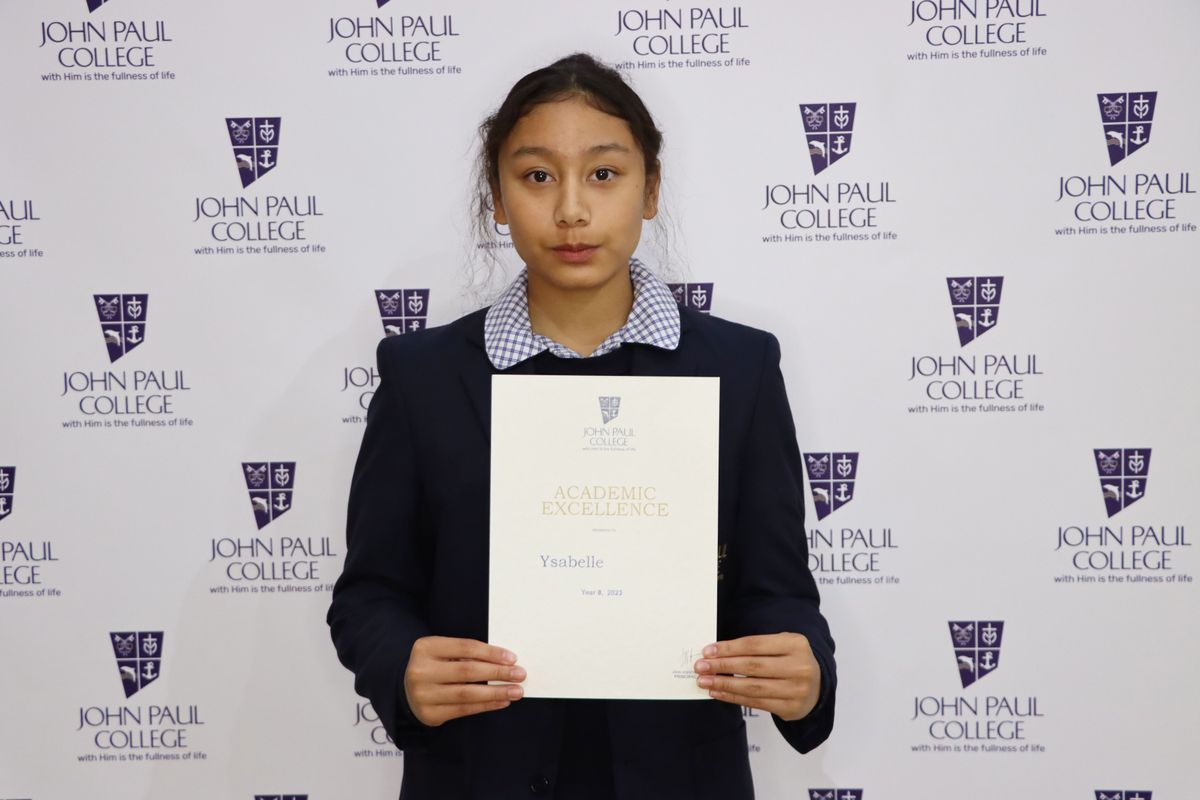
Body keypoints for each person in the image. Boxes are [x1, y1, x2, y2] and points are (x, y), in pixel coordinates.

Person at [327, 52, 836, 800]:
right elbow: (370, 593)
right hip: (477, 776)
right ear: (498, 198)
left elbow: (779, 589)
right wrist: (401, 662)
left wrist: (805, 667)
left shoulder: (740, 368)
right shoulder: (422, 377)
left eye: (603, 174)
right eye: (537, 176)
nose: (571, 209)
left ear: (650, 189)